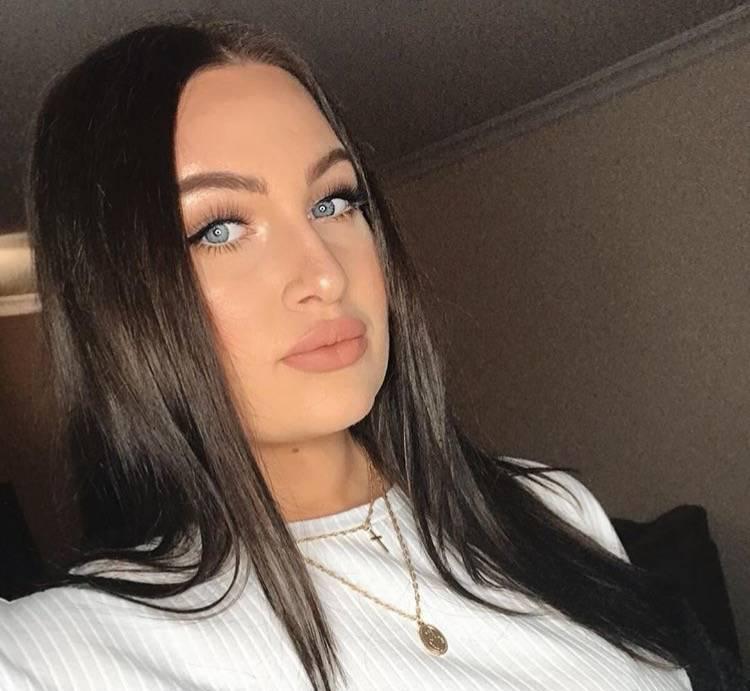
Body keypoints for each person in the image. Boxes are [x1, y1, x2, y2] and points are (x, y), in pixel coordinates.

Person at [0, 17, 739, 691]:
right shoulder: (53, 657)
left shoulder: (555, 507)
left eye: (333, 202)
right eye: (219, 228)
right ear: (115, 299)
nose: (325, 273)